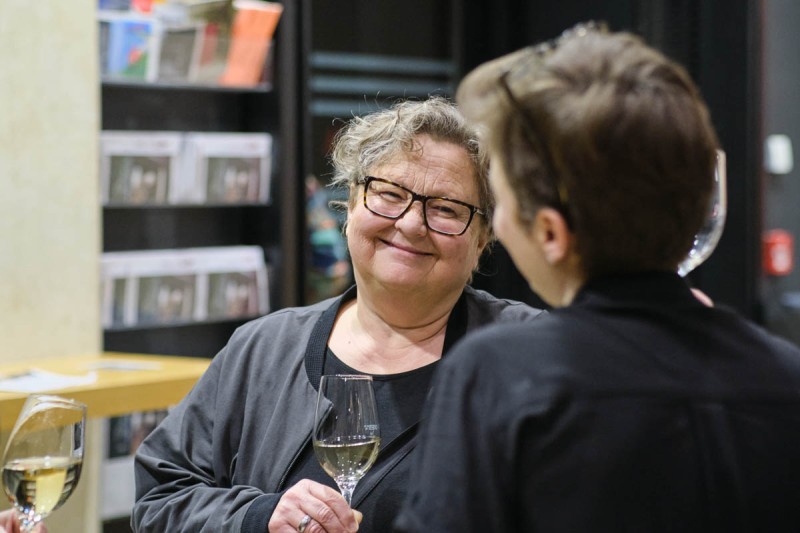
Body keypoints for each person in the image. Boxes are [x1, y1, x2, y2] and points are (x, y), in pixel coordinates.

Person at [394, 23, 800, 532]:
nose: (499, 225)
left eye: (503, 201)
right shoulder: (787, 377)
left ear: (551, 233)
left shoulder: (499, 377)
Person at [131, 96, 545, 532]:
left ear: (482, 238)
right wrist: (258, 518)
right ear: (350, 204)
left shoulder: (531, 354)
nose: (410, 224)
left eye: (445, 209)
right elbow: (160, 499)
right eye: (390, 194)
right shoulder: (263, 350)